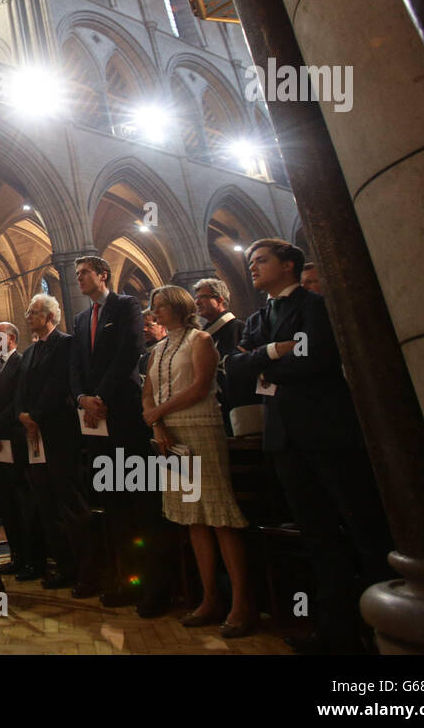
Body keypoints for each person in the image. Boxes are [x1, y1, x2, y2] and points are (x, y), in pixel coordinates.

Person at [226, 239, 392, 654]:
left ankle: (380, 626)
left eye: (261, 260)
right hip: (283, 437)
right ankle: (334, 631)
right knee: (316, 535)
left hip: (325, 432)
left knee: (361, 528)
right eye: (250, 263)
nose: (252, 267)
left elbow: (314, 358)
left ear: (288, 265)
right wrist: (271, 352)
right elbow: (236, 367)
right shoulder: (260, 317)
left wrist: (265, 360)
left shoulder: (314, 306)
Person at [143, 285, 255, 638]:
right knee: (193, 519)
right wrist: (158, 424)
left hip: (201, 428)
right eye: (153, 306)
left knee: (219, 515)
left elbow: (201, 387)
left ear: (178, 307)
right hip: (170, 437)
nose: (155, 312)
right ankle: (209, 599)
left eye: (160, 306)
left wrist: (158, 413)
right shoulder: (157, 349)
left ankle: (242, 603)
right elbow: (147, 392)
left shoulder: (200, 340)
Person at [69, 255, 174, 615]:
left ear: (103, 274)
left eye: (84, 273)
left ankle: (156, 586)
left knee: (141, 504)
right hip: (96, 425)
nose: (79, 278)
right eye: (77, 274)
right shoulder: (82, 319)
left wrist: (100, 395)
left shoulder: (126, 305)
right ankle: (127, 580)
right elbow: (76, 366)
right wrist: (82, 397)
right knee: (114, 506)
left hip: (124, 417)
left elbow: (130, 352)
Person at [16, 292, 89, 589]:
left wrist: (36, 415)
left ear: (48, 316)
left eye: (33, 313)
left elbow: (60, 383)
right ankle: (62, 565)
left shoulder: (67, 343)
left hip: (58, 431)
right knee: (46, 503)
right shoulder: (30, 351)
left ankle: (86, 569)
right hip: (34, 436)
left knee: (69, 502)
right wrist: (23, 414)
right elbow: (21, 387)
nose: (28, 317)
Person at [0, 321, 42, 580]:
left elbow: (18, 401)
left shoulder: (21, 363)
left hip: (14, 441)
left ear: (13, 339)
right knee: (5, 502)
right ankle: (16, 555)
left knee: (22, 502)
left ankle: (32, 559)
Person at [193, 277, 252, 434]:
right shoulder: (204, 335)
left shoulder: (238, 329)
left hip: (237, 405)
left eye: (202, 298)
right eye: (196, 298)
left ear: (219, 299)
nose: (197, 302)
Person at [138, 307, 168, 378]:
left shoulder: (170, 350)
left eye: (149, 325)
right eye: (142, 326)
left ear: (163, 326)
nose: (144, 329)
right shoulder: (144, 358)